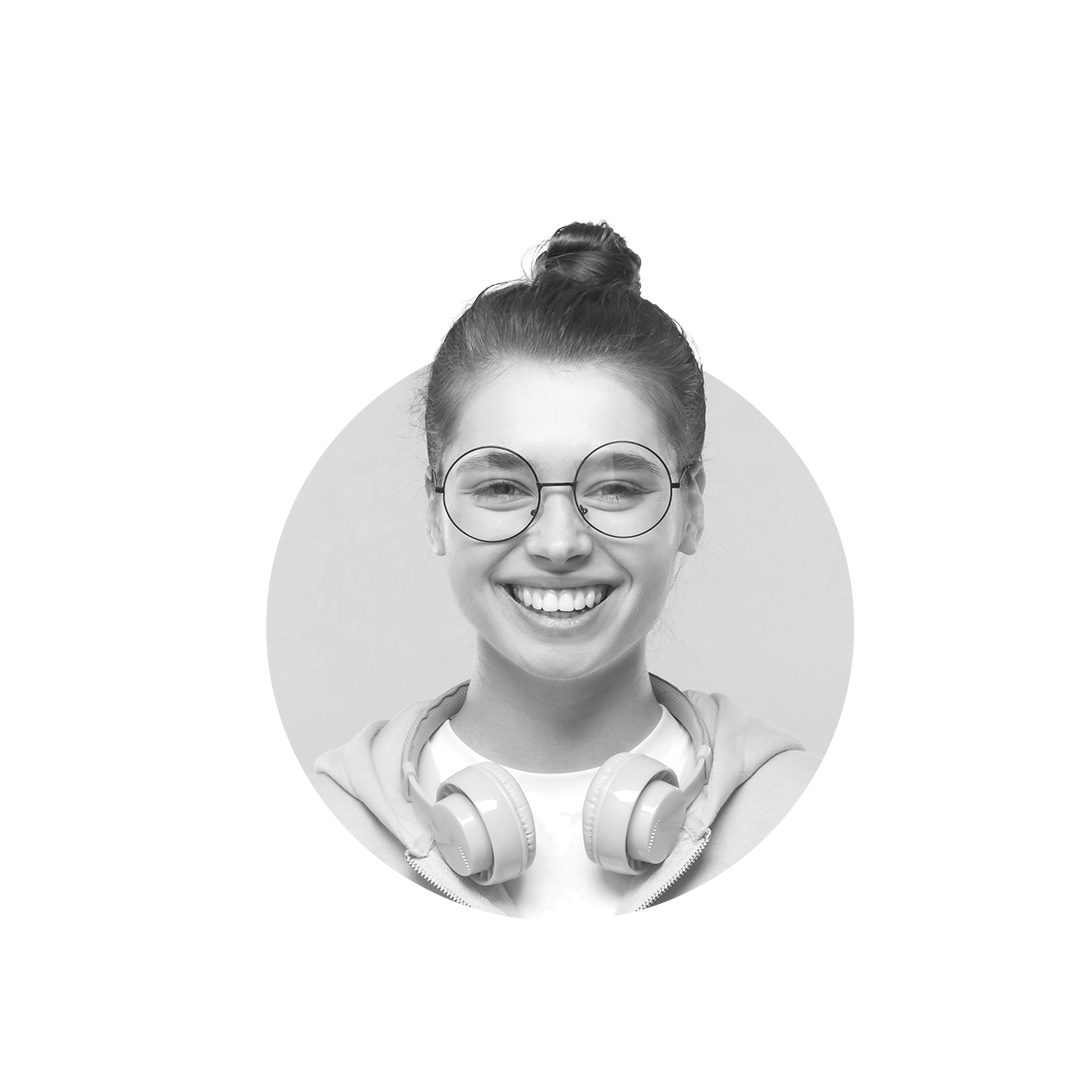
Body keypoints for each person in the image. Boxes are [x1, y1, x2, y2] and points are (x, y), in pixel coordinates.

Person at [312, 218, 819, 919]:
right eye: (501, 486)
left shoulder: (781, 802)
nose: (558, 543)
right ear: (435, 511)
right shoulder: (341, 812)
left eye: (616, 487)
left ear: (691, 509)